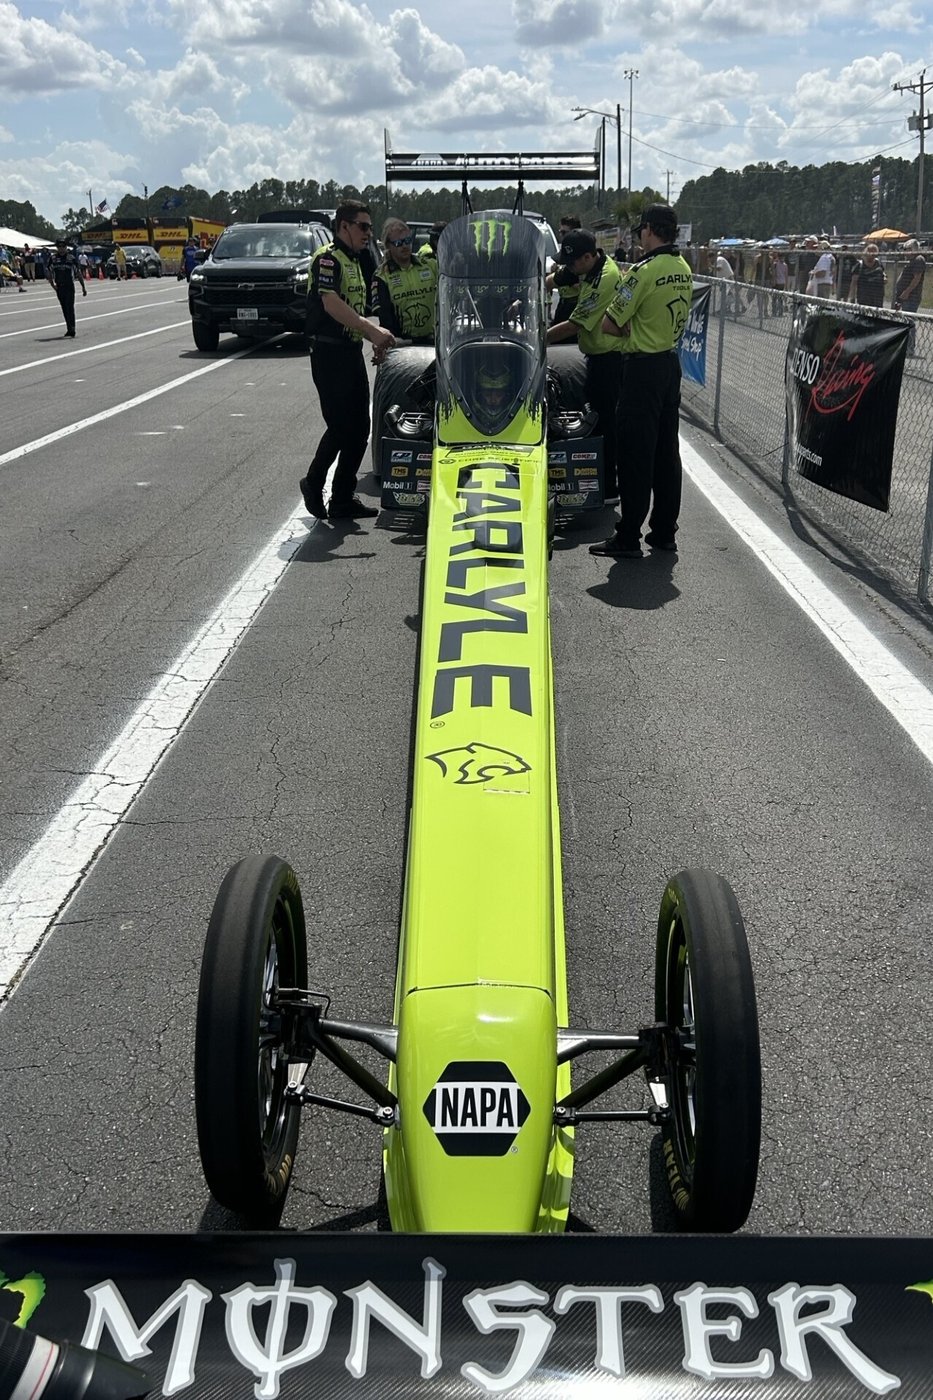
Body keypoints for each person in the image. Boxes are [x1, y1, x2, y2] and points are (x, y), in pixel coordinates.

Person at [589, 203, 692, 559]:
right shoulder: (683, 267)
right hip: (669, 364)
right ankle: (664, 531)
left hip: (642, 369)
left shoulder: (641, 272)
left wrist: (632, 326)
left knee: (635, 454)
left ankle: (628, 534)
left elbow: (609, 324)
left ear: (649, 230)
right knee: (667, 453)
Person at [299, 199, 395, 522]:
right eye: (363, 226)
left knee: (360, 427)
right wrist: (371, 330)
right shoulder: (326, 260)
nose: (369, 233)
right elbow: (331, 304)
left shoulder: (357, 260)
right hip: (328, 352)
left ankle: (342, 497)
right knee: (341, 426)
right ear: (343, 226)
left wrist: (375, 337)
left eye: (370, 226)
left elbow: (357, 310)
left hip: (350, 351)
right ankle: (313, 482)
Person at [546, 228, 624, 504]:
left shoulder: (606, 278)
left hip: (611, 360)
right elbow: (554, 280)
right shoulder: (587, 267)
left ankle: (610, 488)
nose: (569, 267)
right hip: (596, 356)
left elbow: (575, 324)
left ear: (589, 257)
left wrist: (534, 339)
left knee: (606, 423)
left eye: (573, 261)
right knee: (594, 415)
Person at [370, 218, 437, 344]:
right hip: (402, 344)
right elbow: (384, 316)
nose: (405, 246)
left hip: (433, 341)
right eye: (399, 243)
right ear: (388, 245)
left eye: (407, 241)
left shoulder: (430, 265)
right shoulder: (381, 276)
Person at [47, 238, 87, 336]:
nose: (61, 249)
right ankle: (68, 328)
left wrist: (83, 287)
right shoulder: (53, 259)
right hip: (59, 286)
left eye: (63, 246)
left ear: (66, 247)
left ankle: (72, 328)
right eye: (59, 247)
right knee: (64, 308)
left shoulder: (71, 258)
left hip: (69, 285)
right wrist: (53, 285)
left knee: (70, 307)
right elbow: (49, 272)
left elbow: (78, 273)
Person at [893, 239, 927, 356]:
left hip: (912, 297)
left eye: (907, 249)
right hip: (905, 296)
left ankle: (910, 348)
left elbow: (916, 278)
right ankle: (906, 345)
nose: (905, 252)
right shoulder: (911, 261)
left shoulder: (918, 259)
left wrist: (907, 291)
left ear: (913, 249)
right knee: (905, 320)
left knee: (909, 321)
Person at [848, 243, 885, 308]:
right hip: (864, 298)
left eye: (874, 254)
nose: (872, 256)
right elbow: (853, 283)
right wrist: (852, 298)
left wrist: (885, 277)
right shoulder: (860, 265)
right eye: (871, 253)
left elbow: (883, 273)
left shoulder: (878, 263)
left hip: (878, 298)